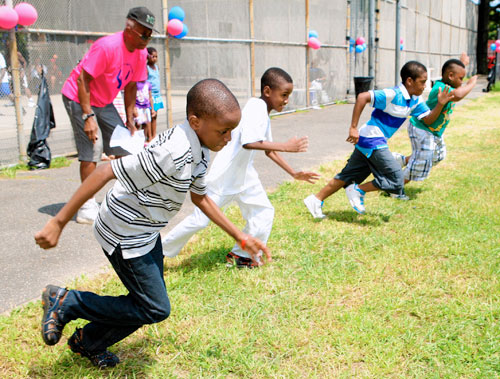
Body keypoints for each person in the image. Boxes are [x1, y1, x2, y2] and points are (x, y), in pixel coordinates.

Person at [35, 79, 271, 369]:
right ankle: (67, 302)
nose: (229, 138)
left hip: (147, 231)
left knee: (143, 303)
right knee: (154, 307)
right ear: (196, 122)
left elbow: (201, 199)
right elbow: (106, 171)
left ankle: (89, 341)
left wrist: (240, 236)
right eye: (224, 131)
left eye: (232, 130)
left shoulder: (201, 149)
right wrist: (59, 222)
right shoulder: (173, 152)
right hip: (124, 232)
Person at [162, 67, 319, 267]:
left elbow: (268, 150)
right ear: (268, 91)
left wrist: (294, 173)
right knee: (201, 220)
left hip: (245, 175)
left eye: (288, 95)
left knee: (263, 212)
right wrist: (286, 146)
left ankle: (241, 256)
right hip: (226, 175)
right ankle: (160, 251)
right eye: (284, 95)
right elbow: (248, 142)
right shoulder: (255, 108)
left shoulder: (263, 111)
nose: (286, 100)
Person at [303, 61, 454, 218]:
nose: (424, 86)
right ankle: (358, 190)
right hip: (371, 139)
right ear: (409, 81)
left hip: (372, 141)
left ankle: (315, 200)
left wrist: (440, 104)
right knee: (396, 179)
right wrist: (353, 128)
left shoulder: (415, 100)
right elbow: (362, 97)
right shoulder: (392, 94)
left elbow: (428, 120)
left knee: (347, 176)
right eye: (422, 82)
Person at [61, 7, 156, 224]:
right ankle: (85, 207)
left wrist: (131, 116)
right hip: (79, 97)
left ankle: (125, 198)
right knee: (93, 148)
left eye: (150, 35)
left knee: (125, 146)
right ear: (129, 28)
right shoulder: (107, 47)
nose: (146, 39)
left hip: (104, 100)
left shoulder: (141, 54)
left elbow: (132, 85)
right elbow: (82, 80)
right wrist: (88, 117)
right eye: (144, 33)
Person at [392, 57, 478, 186]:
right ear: (450, 75)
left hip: (433, 131)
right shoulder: (442, 89)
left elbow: (455, 76)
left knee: (438, 155)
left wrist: (462, 65)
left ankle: (403, 160)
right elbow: (459, 95)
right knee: (421, 162)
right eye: (460, 78)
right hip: (422, 128)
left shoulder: (447, 84)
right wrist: (471, 83)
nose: (462, 82)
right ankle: (394, 185)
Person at [146, 47, 163, 138]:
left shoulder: (156, 67)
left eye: (156, 57)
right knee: (149, 116)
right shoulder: (146, 68)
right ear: (148, 56)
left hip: (157, 95)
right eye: (153, 56)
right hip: (150, 95)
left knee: (155, 116)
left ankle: (154, 134)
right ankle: (149, 136)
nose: (155, 58)